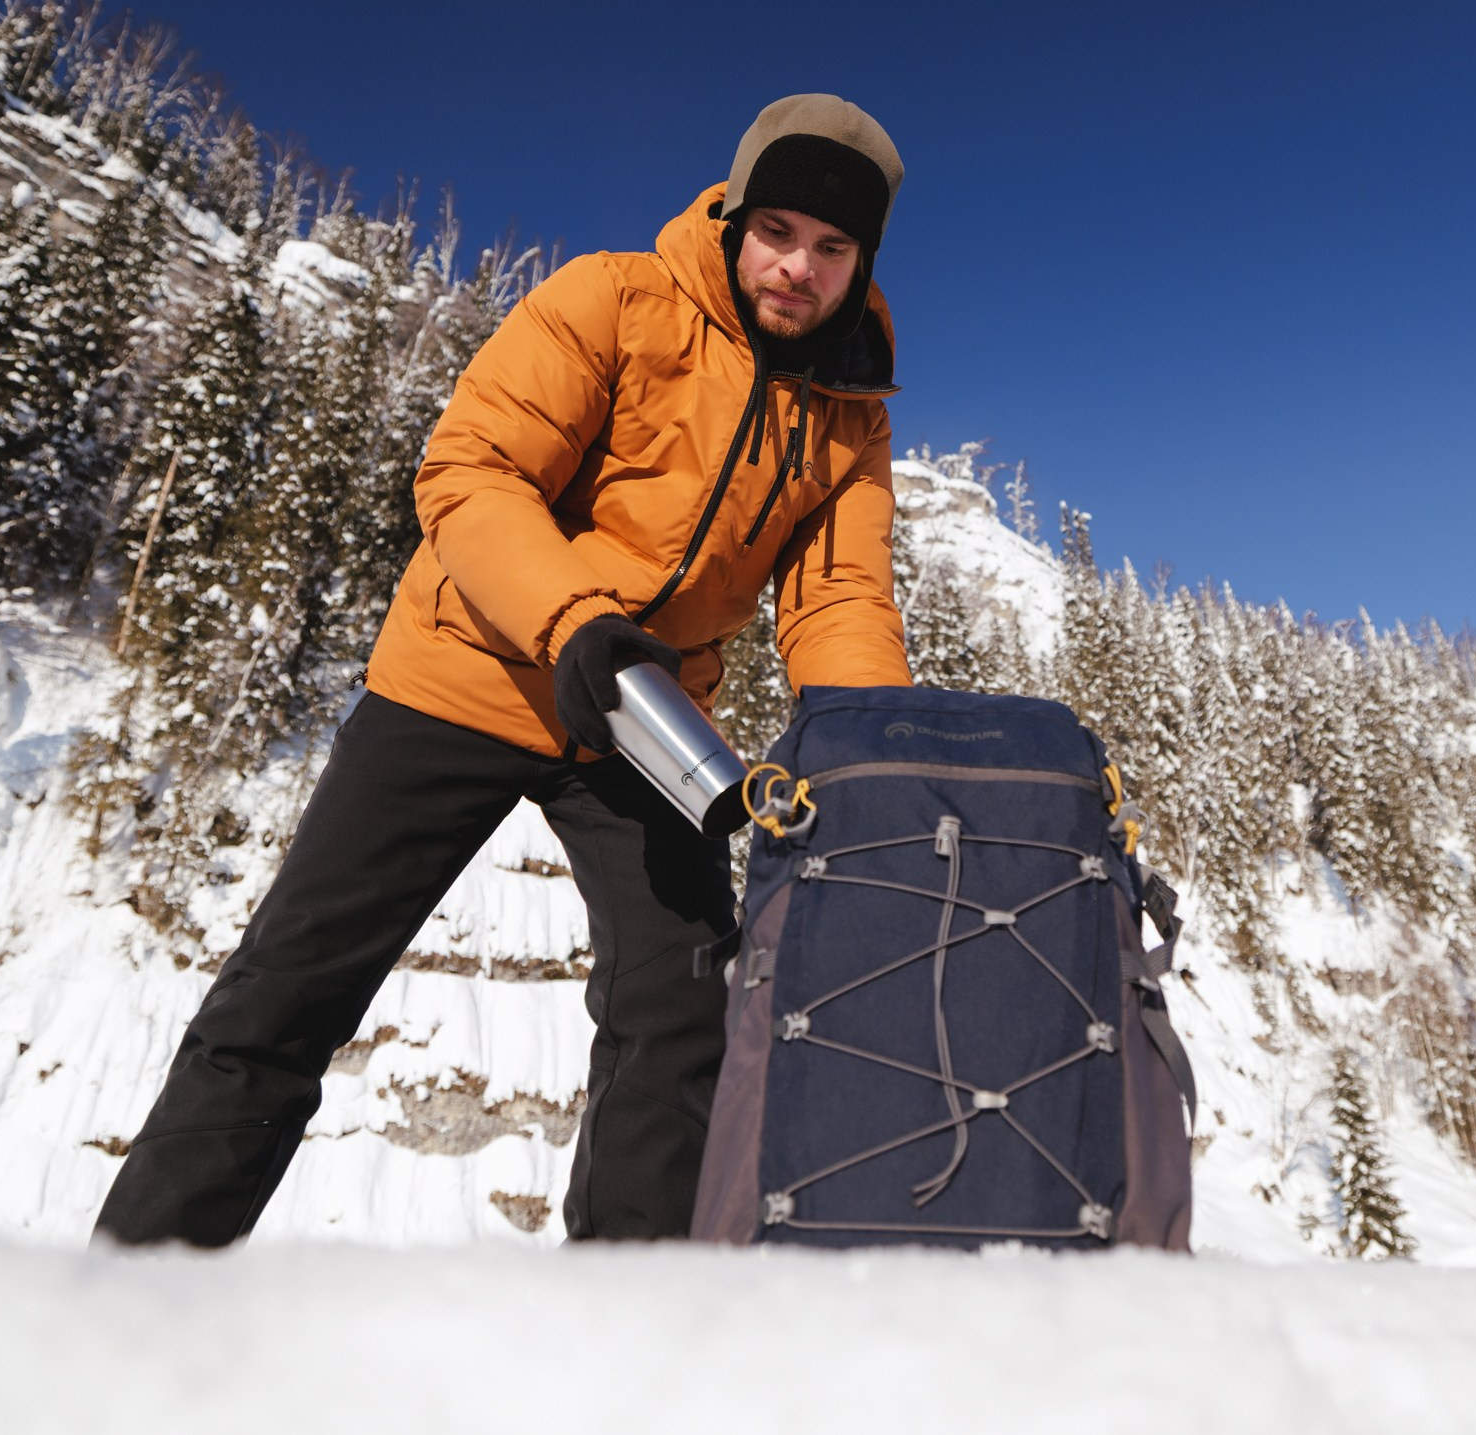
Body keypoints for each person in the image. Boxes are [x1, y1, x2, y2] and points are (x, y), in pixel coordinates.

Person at [95, 94, 913, 1246]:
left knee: (679, 1018)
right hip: (466, 667)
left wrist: (878, 753)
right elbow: (471, 470)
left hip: (645, 721)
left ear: (860, 261)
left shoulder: (849, 411)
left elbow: (837, 598)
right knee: (293, 987)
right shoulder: (614, 298)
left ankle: (622, 1323)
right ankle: (137, 1291)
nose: (798, 267)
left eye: (834, 248)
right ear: (733, 220)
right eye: (779, 230)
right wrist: (574, 618)